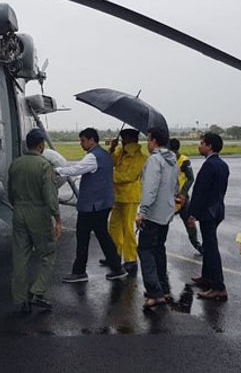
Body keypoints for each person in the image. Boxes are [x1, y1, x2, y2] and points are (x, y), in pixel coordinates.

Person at [56, 128, 128, 283]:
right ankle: (117, 267)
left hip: (92, 206)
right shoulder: (104, 155)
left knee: (83, 236)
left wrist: (57, 170)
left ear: (91, 140)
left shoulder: (93, 157)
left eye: (83, 140)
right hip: (102, 203)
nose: (81, 143)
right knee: (102, 235)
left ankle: (79, 271)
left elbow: (76, 169)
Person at [8, 129, 62, 314]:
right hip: (38, 213)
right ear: (41, 145)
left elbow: (10, 193)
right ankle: (37, 292)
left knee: (20, 258)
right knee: (48, 253)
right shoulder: (45, 165)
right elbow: (50, 195)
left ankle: (20, 299)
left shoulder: (15, 164)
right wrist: (57, 218)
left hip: (19, 211)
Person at [136, 128, 179, 308]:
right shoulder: (172, 159)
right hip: (166, 213)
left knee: (145, 251)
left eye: (148, 140)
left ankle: (155, 292)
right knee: (159, 249)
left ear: (153, 141)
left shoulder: (155, 160)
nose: (147, 143)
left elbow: (150, 189)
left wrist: (142, 211)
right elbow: (175, 187)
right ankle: (164, 287)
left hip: (153, 214)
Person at [188, 132, 230, 301]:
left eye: (202, 143)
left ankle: (219, 287)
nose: (199, 145)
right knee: (208, 243)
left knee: (211, 249)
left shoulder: (209, 166)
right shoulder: (222, 164)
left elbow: (200, 193)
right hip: (217, 210)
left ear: (210, 146)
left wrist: (192, 214)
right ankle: (207, 277)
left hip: (207, 213)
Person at [106, 128, 148, 275]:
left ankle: (131, 260)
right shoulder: (120, 152)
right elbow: (110, 161)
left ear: (132, 140)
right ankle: (114, 254)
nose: (123, 143)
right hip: (117, 196)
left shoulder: (140, 158)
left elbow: (129, 176)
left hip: (130, 197)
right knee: (114, 226)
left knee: (128, 229)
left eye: (125, 140)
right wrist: (111, 149)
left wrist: (108, 176)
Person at [169, 138, 202, 255]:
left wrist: (183, 193)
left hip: (181, 198)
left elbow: (190, 178)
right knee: (161, 223)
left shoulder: (184, 161)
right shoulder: (166, 160)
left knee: (189, 223)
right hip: (169, 198)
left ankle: (198, 246)